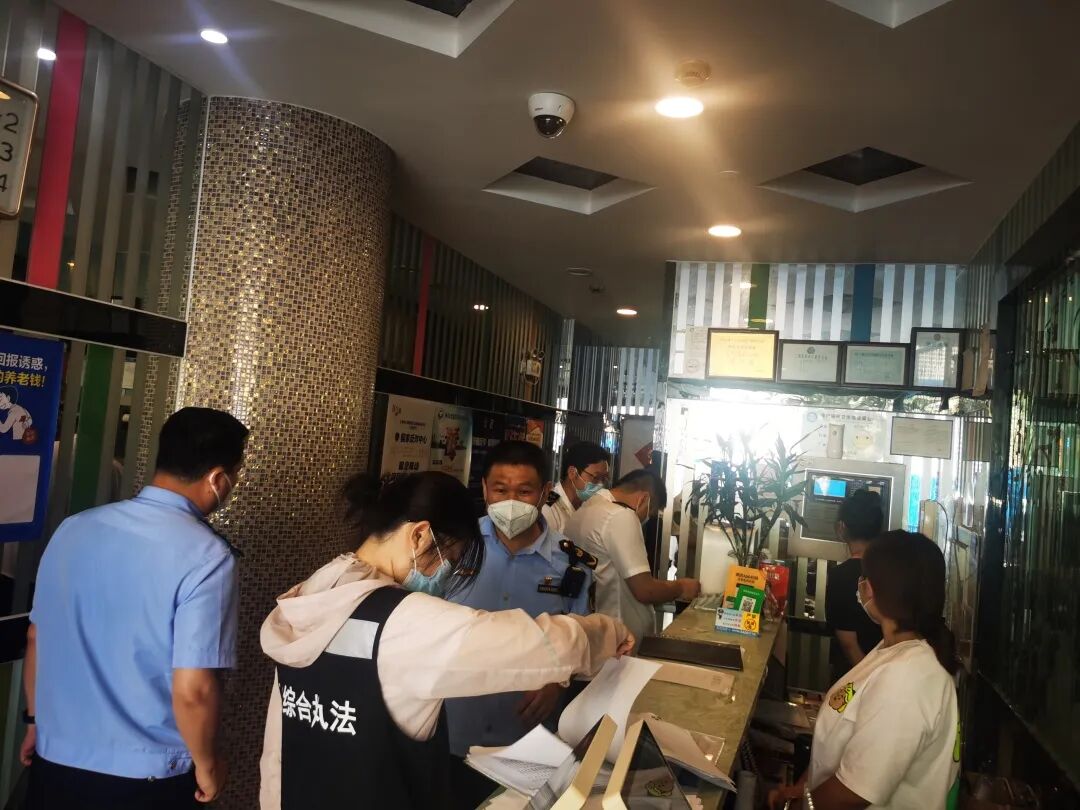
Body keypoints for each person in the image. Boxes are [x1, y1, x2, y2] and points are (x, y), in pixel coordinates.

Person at [258, 471, 634, 810]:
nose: (445, 572)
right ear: (419, 535)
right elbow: (531, 644)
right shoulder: (405, 621)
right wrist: (608, 632)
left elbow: (278, 741)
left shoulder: (312, 593)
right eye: (449, 557)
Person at [23, 407, 247, 809]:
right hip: (145, 780)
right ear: (217, 478)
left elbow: (37, 637)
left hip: (55, 762)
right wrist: (207, 764)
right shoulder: (208, 556)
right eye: (236, 474)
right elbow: (194, 688)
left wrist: (35, 722)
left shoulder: (74, 529)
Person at [444, 441, 597, 802]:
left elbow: (582, 639)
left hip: (530, 739)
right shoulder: (453, 547)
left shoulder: (571, 565)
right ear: (484, 489)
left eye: (524, 491)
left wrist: (558, 683)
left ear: (545, 492)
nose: (510, 500)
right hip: (453, 728)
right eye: (500, 489)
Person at [769, 531, 960, 810]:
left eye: (864, 577)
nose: (861, 586)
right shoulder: (891, 649)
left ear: (871, 588)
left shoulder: (908, 677)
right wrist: (801, 789)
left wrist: (798, 807)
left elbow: (853, 792)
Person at [564, 469, 700, 650]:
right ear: (644, 499)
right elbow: (645, 590)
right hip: (620, 641)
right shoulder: (620, 515)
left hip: (593, 634)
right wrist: (682, 587)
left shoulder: (583, 511)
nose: (645, 519)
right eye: (650, 513)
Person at [826, 490, 885, 682]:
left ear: (842, 527)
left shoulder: (840, 576)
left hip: (851, 677)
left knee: (838, 704)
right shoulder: (889, 572)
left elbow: (848, 644)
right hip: (885, 670)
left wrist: (867, 681)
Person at [542, 441, 611, 534]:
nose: (601, 484)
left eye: (604, 478)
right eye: (596, 477)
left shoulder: (591, 505)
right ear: (572, 473)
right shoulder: (549, 506)